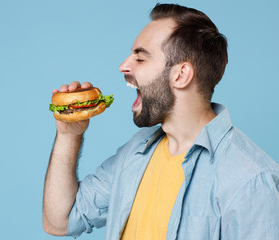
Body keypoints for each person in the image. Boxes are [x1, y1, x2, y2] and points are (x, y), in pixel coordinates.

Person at [43, 3, 279, 240]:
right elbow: (59, 221)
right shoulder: (135, 153)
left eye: (141, 58)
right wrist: (68, 134)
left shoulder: (250, 180)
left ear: (181, 75)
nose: (123, 66)